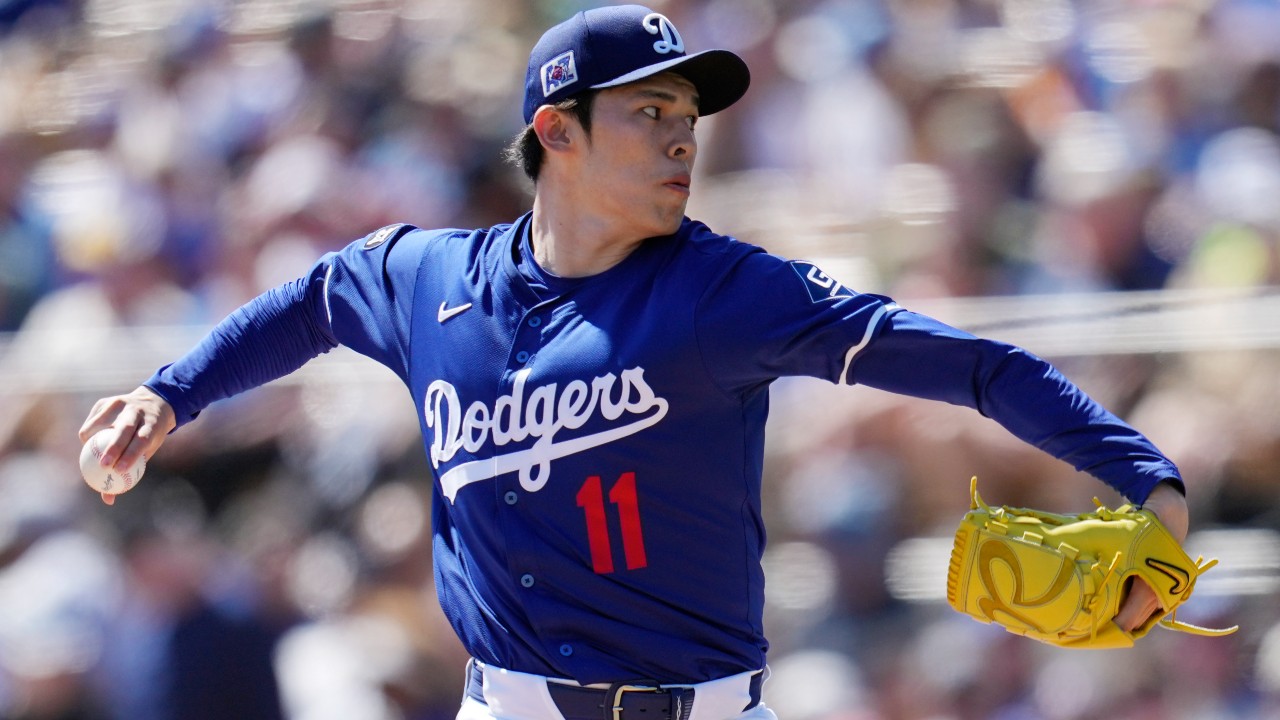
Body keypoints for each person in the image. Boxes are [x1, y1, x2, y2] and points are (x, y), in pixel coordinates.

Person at [79, 5, 1190, 719]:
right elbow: (313, 301)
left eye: (688, 116)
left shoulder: (726, 292)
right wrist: (168, 394)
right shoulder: (426, 279)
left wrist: (1144, 478)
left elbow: (974, 366)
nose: (681, 136)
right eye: (649, 111)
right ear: (555, 131)